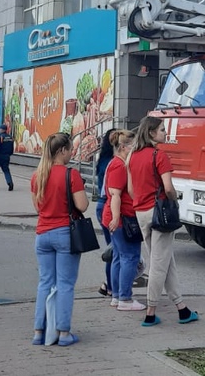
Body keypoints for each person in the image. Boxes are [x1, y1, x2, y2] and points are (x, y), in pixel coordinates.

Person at [128, 116, 198, 327]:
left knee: (166, 262)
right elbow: (168, 188)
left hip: (141, 212)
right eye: (161, 130)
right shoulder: (160, 156)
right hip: (160, 214)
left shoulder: (132, 156)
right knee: (159, 264)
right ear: (151, 133)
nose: (165, 133)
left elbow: (131, 190)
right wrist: (175, 198)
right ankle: (150, 313)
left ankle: (182, 308)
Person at [30, 132, 86, 347]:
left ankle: (39, 331)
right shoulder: (71, 175)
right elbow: (81, 206)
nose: (72, 153)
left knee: (45, 283)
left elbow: (37, 207)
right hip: (65, 234)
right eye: (70, 149)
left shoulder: (38, 176)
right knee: (65, 284)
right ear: (62, 151)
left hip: (42, 234)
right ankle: (63, 333)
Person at [104, 129, 144, 311]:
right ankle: (125, 299)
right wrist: (116, 218)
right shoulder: (119, 166)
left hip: (115, 218)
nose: (135, 150)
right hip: (122, 219)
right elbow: (115, 195)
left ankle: (117, 296)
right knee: (130, 257)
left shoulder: (116, 163)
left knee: (119, 258)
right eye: (133, 147)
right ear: (122, 147)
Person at [94, 128, 118, 299]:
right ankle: (112, 287)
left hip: (103, 204)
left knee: (114, 249)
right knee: (115, 250)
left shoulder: (103, 159)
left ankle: (109, 285)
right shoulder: (113, 162)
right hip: (108, 205)